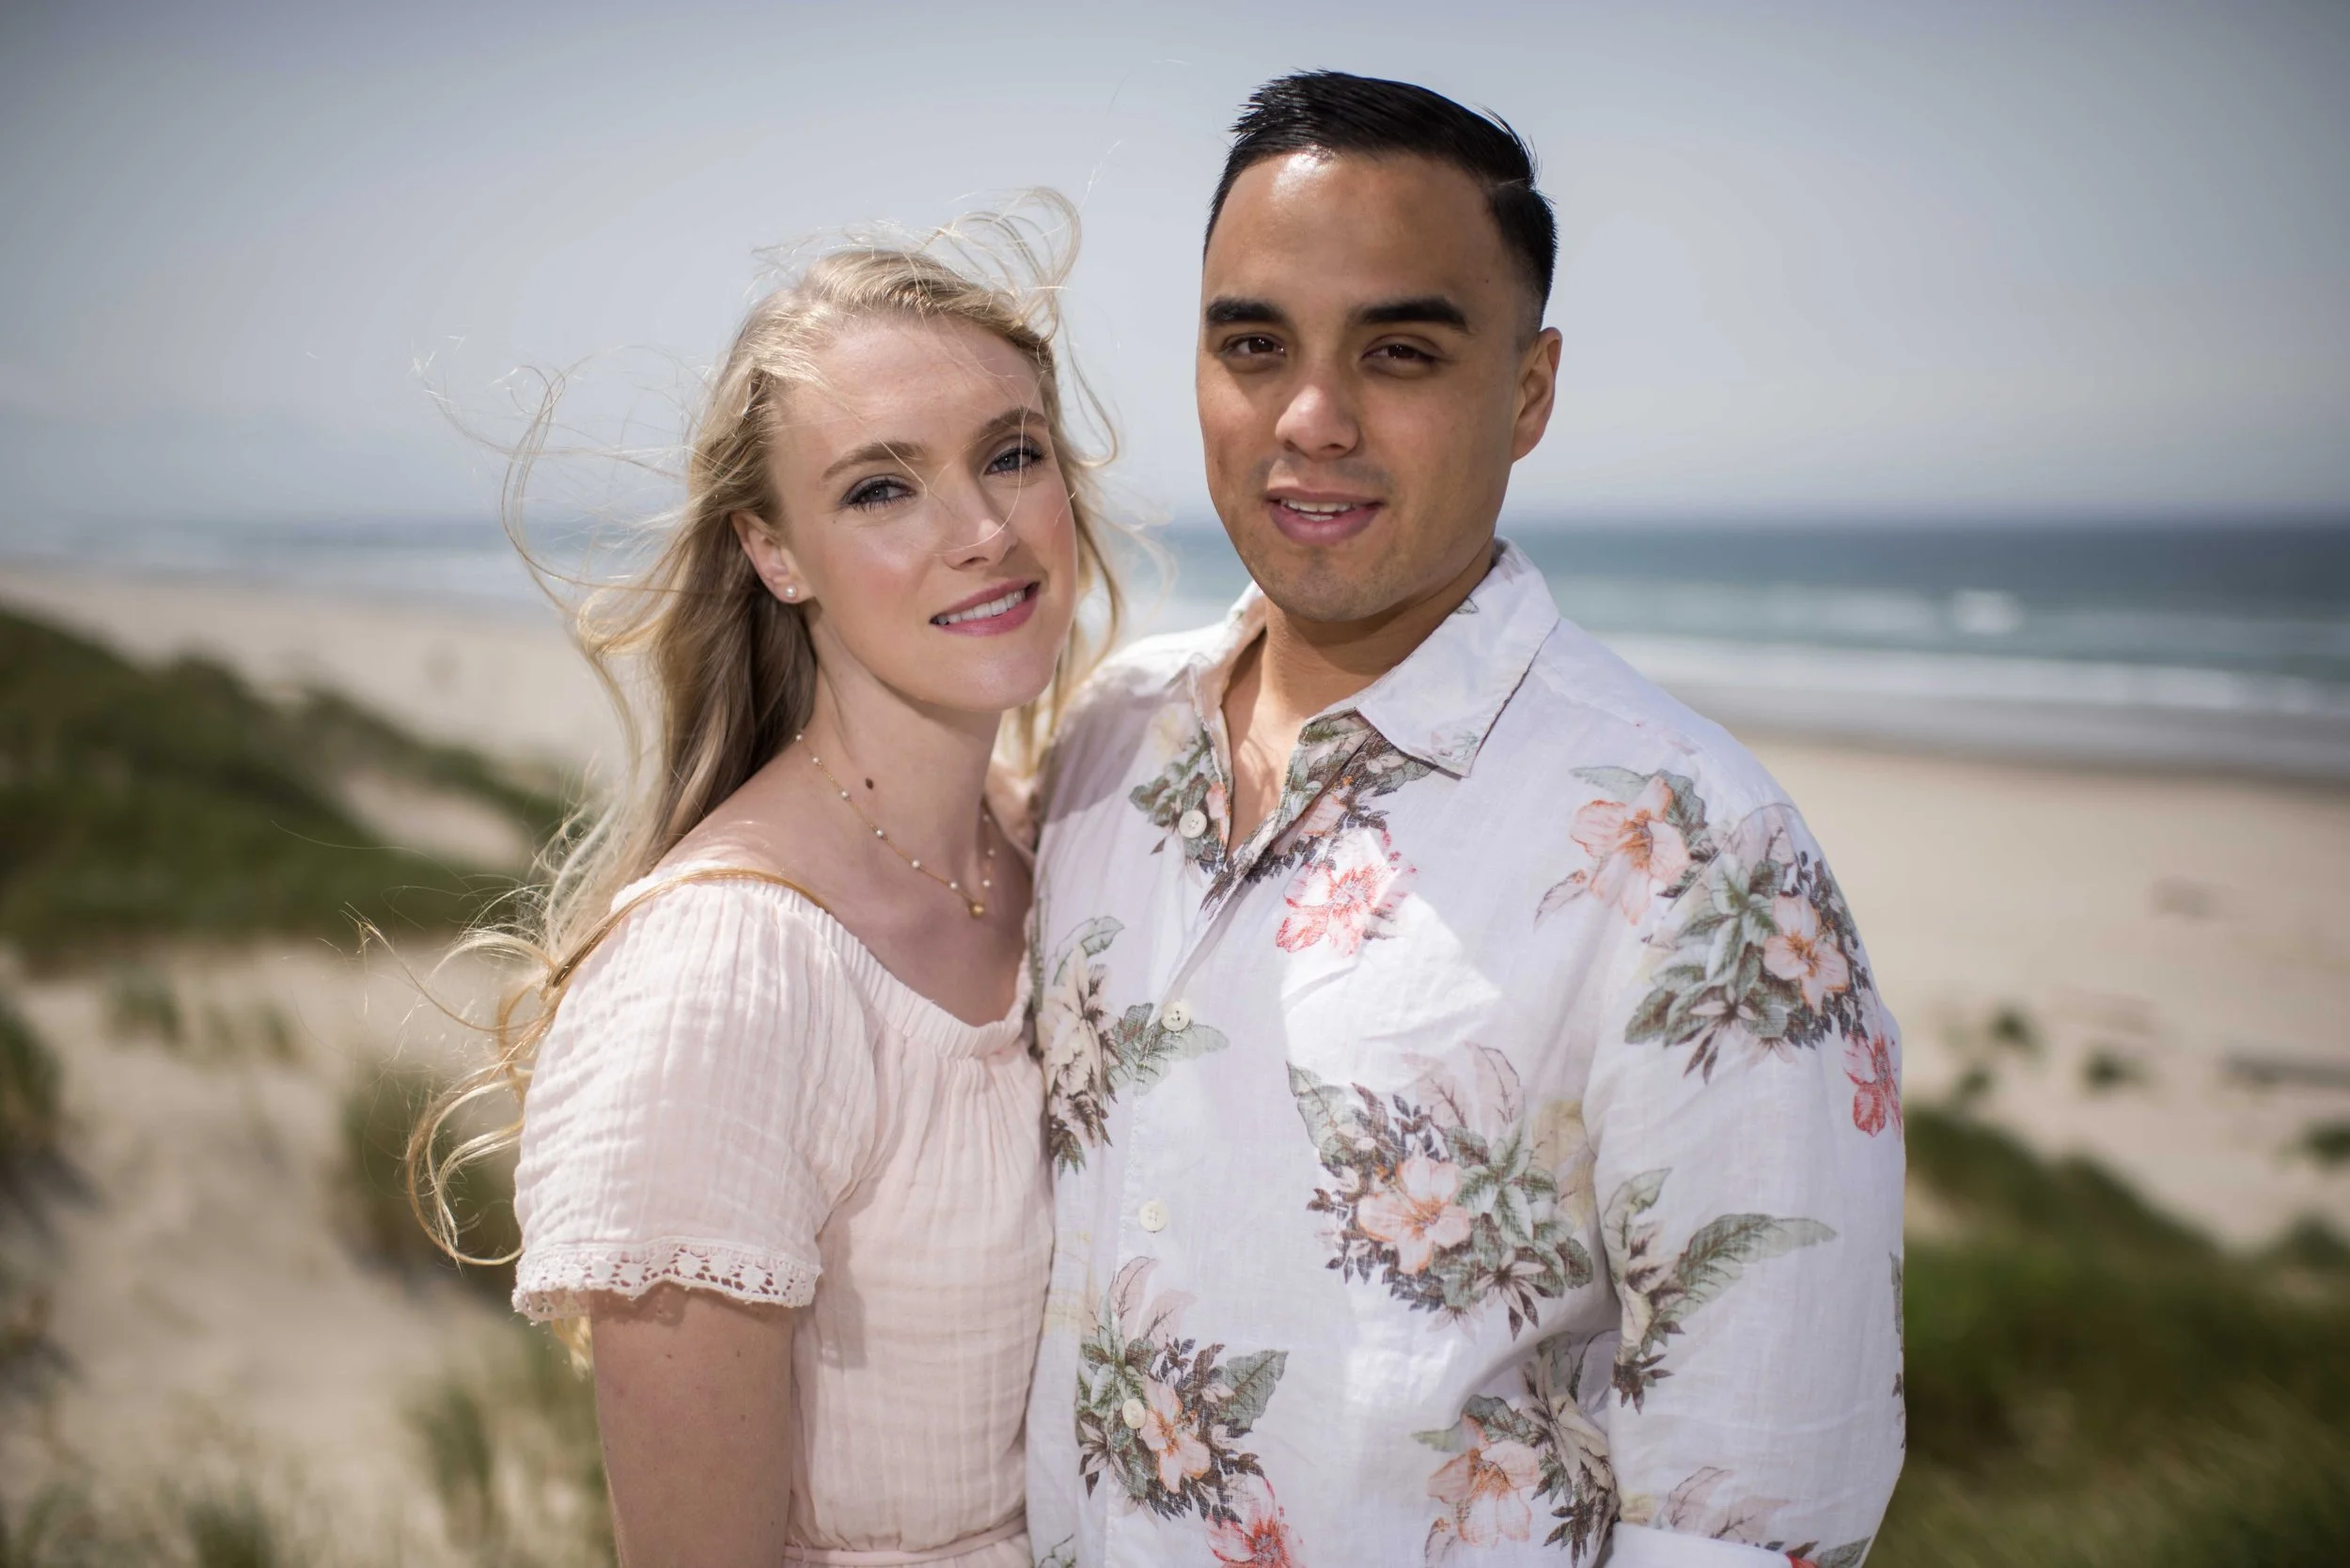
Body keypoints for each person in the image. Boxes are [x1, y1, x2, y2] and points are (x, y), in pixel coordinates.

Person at [1024, 72, 1905, 1566]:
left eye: (1402, 350)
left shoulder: (1701, 860)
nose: (1311, 418)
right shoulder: (1107, 733)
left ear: (1531, 389)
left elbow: (1756, 1513)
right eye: (1254, 344)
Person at [415, 205, 1124, 1565]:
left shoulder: (1060, 855)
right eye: (880, 487)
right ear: (773, 551)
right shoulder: (723, 978)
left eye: (1012, 455)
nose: (980, 528)